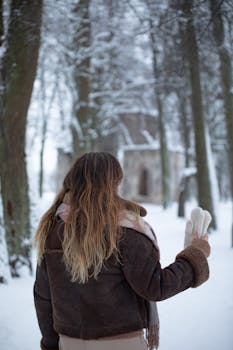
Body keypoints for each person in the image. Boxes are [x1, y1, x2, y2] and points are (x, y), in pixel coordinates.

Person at [34, 152, 210, 350]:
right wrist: (196, 254)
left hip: (69, 343)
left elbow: (43, 297)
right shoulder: (127, 230)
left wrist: (50, 344)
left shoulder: (52, 230)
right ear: (113, 184)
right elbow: (156, 286)